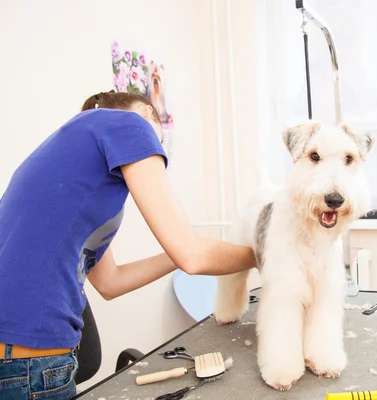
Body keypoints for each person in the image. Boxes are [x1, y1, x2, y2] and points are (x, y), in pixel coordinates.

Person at [0, 90, 257, 399]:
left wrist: (175, 255)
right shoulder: (130, 124)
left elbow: (111, 282)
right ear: (149, 114)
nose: (156, 150)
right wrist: (263, 255)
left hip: (16, 355)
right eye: (158, 143)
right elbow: (193, 255)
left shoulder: (77, 158)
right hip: (31, 359)